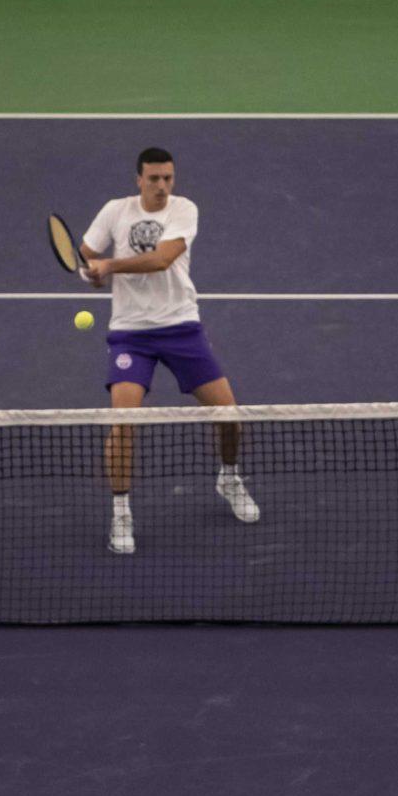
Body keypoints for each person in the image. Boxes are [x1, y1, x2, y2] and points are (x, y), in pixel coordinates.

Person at [80, 147, 258, 556]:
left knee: (229, 417)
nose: (162, 186)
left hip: (181, 327)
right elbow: (87, 255)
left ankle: (228, 477)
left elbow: (162, 260)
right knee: (123, 424)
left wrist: (110, 267)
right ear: (138, 179)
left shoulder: (183, 210)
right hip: (130, 334)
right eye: (154, 179)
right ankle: (121, 510)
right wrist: (90, 273)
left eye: (168, 178)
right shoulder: (114, 211)